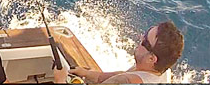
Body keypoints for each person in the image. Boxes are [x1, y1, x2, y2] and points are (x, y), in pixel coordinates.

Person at [54, 21, 184, 83]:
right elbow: (119, 75)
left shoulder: (125, 82)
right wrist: (87, 73)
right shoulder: (160, 72)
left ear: (152, 59)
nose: (140, 38)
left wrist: (60, 80)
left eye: (145, 41)